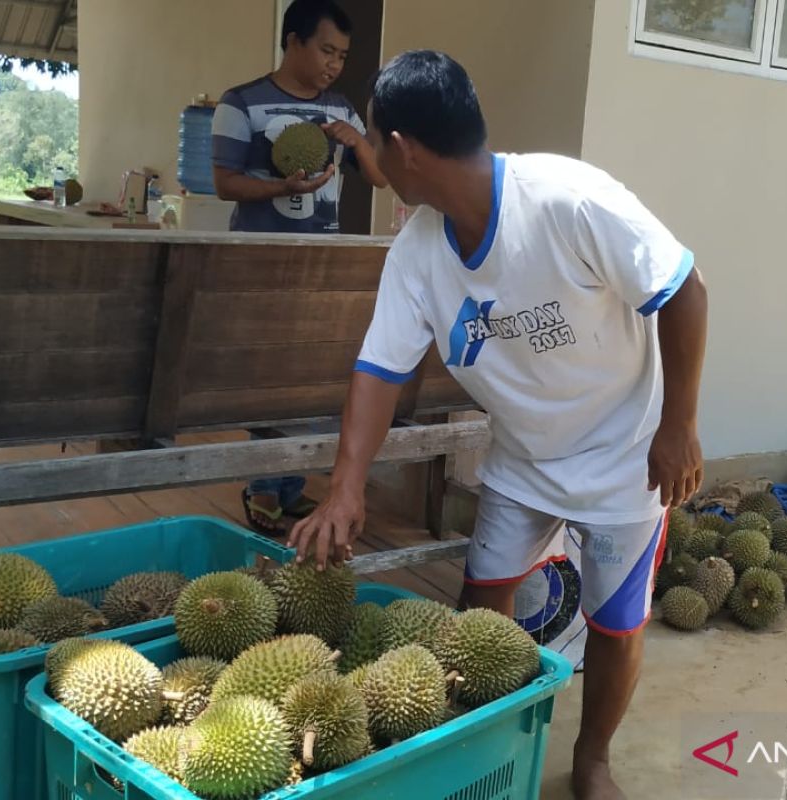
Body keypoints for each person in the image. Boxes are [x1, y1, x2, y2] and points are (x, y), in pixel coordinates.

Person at [287, 50, 709, 799]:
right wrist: (345, 487)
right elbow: (380, 368)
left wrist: (678, 427)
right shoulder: (418, 250)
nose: (373, 155)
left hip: (623, 454)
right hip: (522, 457)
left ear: (404, 149)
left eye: (376, 141)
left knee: (615, 625)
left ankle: (592, 759)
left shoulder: (568, 200)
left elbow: (683, 289)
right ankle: (483, 737)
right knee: (482, 601)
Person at [210, 0, 388, 534]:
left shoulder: (342, 111)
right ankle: (264, 488)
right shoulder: (240, 104)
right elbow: (224, 184)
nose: (335, 64)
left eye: (342, 55)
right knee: (267, 381)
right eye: (326, 50)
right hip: (260, 264)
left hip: (323, 264)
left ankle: (287, 488)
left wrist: (357, 140)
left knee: (314, 381)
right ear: (293, 41)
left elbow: (380, 178)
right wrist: (281, 187)